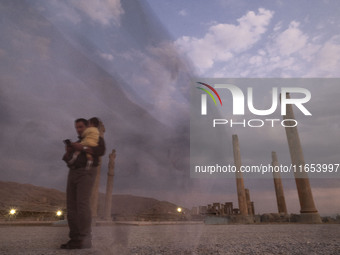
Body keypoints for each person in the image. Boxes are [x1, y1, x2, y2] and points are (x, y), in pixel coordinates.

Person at [61, 118, 106, 249]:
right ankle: (74, 238)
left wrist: (83, 147)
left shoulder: (96, 138)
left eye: (81, 127)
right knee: (71, 207)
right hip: (73, 173)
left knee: (82, 205)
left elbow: (100, 151)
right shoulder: (77, 143)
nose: (78, 130)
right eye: (77, 127)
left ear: (87, 127)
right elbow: (68, 160)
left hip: (86, 172)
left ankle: (85, 239)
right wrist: (69, 151)